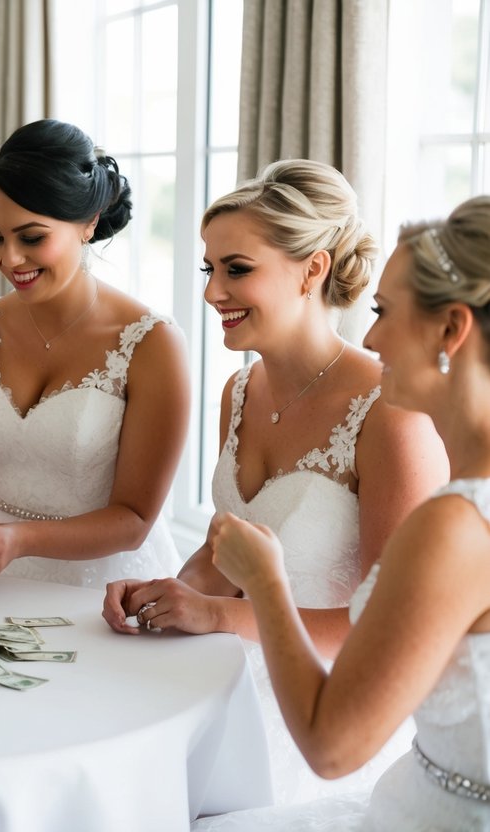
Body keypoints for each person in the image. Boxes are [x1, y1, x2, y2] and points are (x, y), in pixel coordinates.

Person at [102, 159, 448, 806]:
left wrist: (215, 613)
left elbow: (383, 630)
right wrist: (164, 595)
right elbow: (221, 551)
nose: (211, 292)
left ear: (311, 270)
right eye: (209, 269)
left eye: (237, 269)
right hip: (218, 689)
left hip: (317, 723)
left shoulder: (389, 413)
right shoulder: (238, 390)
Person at [198, 194, 490, 830]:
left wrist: (266, 583)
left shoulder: (459, 523)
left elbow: (332, 748)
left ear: (452, 330)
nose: (371, 334)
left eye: (385, 312)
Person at [0, 119, 188, 587]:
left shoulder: (152, 343)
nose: (10, 259)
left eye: (32, 237)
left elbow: (134, 519)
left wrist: (21, 540)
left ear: (88, 224)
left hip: (100, 584)